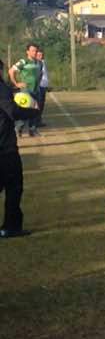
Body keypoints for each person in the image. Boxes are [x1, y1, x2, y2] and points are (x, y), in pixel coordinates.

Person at [0, 59, 40, 238]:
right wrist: (33, 111)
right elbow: (13, 112)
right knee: (14, 186)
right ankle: (11, 227)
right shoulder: (1, 89)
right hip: (4, 148)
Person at [9, 43, 42, 137]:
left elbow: (40, 74)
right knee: (24, 111)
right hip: (26, 91)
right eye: (33, 50)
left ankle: (33, 130)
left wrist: (38, 83)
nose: (35, 52)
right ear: (27, 51)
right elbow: (11, 71)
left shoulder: (38, 62)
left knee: (35, 111)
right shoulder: (23, 61)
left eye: (36, 50)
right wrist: (16, 83)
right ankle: (18, 129)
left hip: (36, 90)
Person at [36, 49, 50, 126]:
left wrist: (47, 85)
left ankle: (39, 120)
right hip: (38, 86)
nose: (40, 57)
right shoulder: (35, 63)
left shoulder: (43, 62)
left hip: (43, 86)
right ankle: (36, 121)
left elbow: (45, 75)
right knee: (38, 104)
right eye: (39, 55)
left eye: (41, 55)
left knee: (42, 104)